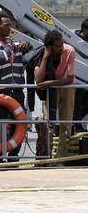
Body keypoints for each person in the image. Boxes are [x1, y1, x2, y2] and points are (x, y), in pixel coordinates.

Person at [0, 12, 31, 162]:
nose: (9, 28)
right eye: (6, 25)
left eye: (10, 25)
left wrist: (26, 45)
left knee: (20, 125)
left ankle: (13, 157)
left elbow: (30, 50)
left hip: (16, 91)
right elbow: (0, 57)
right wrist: (12, 46)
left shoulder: (13, 44)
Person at [35, 30, 75, 158]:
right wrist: (46, 58)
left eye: (62, 44)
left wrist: (51, 83)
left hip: (67, 87)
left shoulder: (69, 51)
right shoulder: (41, 53)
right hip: (51, 90)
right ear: (49, 47)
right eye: (58, 46)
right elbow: (38, 80)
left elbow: (69, 78)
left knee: (66, 125)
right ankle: (47, 156)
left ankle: (60, 158)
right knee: (48, 124)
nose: (61, 47)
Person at [73, 19, 88, 133]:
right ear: (84, 30)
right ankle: (76, 128)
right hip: (77, 81)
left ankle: (81, 128)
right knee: (77, 106)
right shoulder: (73, 41)